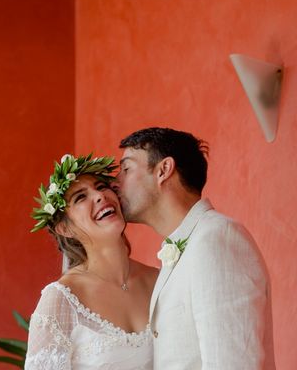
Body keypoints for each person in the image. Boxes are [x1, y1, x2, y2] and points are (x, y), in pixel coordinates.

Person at [117, 128, 276, 369]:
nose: (116, 182)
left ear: (163, 170)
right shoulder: (185, 245)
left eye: (126, 169)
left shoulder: (217, 238)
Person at [25, 154, 158, 370]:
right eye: (80, 197)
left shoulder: (160, 280)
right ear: (64, 228)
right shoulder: (62, 299)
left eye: (101, 187)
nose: (99, 196)